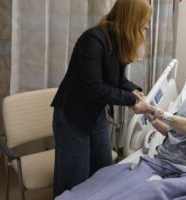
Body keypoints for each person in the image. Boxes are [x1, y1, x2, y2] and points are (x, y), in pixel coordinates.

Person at [50, 0, 152, 197]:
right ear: (130, 18)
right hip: (72, 116)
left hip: (95, 114)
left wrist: (136, 92)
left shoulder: (119, 40)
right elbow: (95, 89)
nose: (146, 26)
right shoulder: (93, 40)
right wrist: (131, 101)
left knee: (103, 171)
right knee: (75, 180)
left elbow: (118, 80)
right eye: (144, 20)